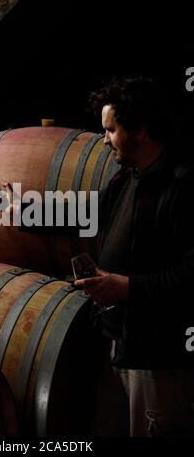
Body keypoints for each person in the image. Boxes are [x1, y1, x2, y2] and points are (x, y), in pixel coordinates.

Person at [74, 76, 194, 436]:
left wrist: (129, 288)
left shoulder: (182, 185)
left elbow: (191, 272)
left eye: (110, 129)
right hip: (119, 343)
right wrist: (23, 209)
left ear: (140, 131)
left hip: (157, 356)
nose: (104, 138)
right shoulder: (128, 176)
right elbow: (88, 213)